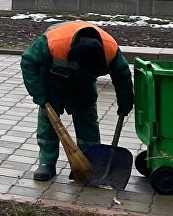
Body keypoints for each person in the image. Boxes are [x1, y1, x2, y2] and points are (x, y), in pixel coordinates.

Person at [20, 21, 134, 181]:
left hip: (84, 85)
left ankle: (88, 163)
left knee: (87, 122)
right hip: (53, 80)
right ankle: (47, 163)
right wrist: (39, 94)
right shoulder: (54, 43)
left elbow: (122, 76)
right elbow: (28, 62)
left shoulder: (110, 49)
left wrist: (126, 101)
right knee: (48, 123)